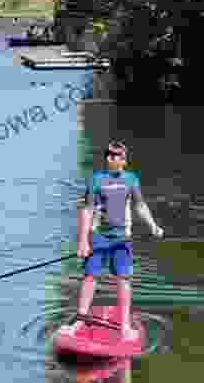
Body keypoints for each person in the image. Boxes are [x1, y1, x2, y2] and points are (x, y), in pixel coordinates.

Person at [59, 142, 164, 340]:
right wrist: (83, 241)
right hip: (99, 236)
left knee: (123, 279)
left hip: (122, 238)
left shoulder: (131, 179)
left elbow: (140, 205)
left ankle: (124, 326)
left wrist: (152, 225)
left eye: (116, 155)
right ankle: (80, 320)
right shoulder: (96, 180)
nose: (111, 158)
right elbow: (87, 211)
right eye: (108, 155)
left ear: (124, 160)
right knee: (90, 276)